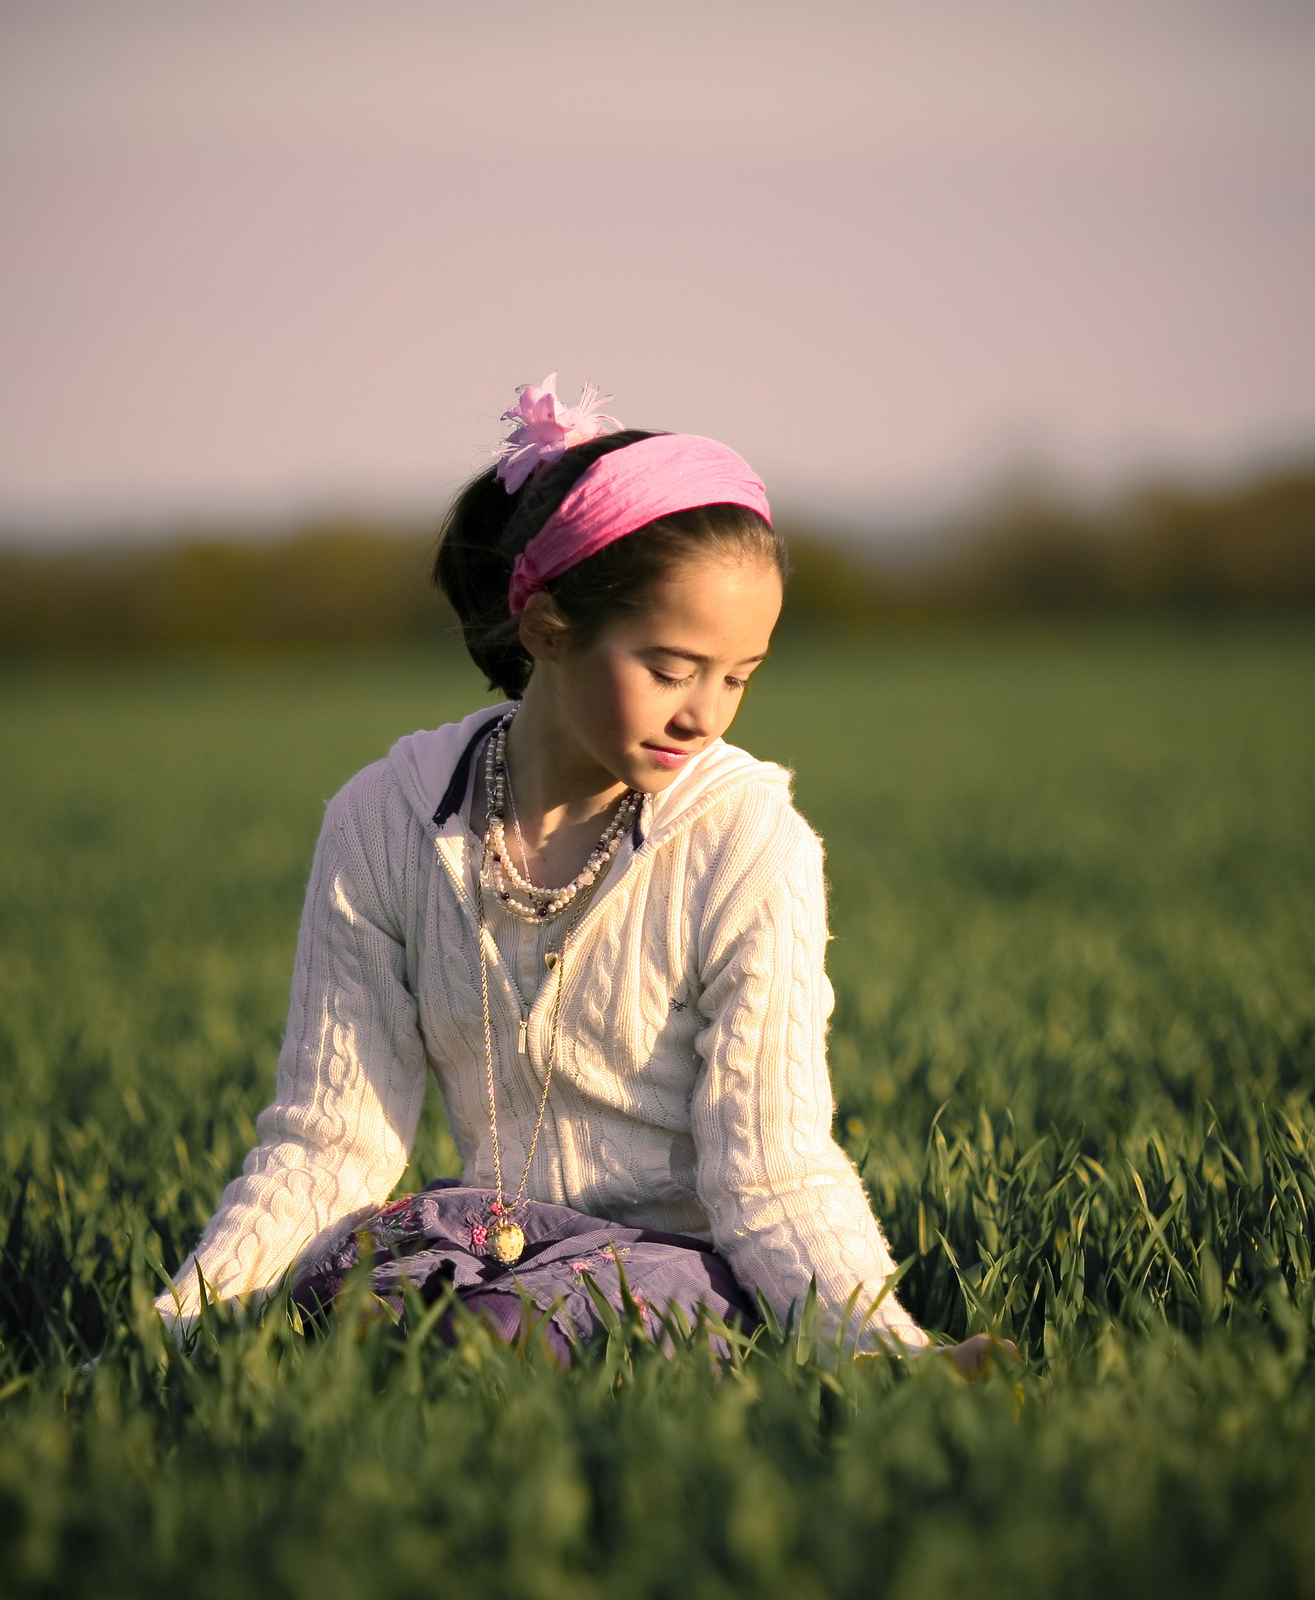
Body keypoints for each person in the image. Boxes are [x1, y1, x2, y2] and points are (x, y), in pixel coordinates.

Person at [157, 377, 1003, 1372]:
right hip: (482, 1243)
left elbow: (773, 1170)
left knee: (495, 1338)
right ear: (549, 627)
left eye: (739, 675)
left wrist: (884, 1357)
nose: (707, 713)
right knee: (365, 1297)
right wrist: (166, 1340)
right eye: (672, 666)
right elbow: (326, 1145)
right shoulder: (382, 822)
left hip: (682, 1270)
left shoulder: (748, 839)